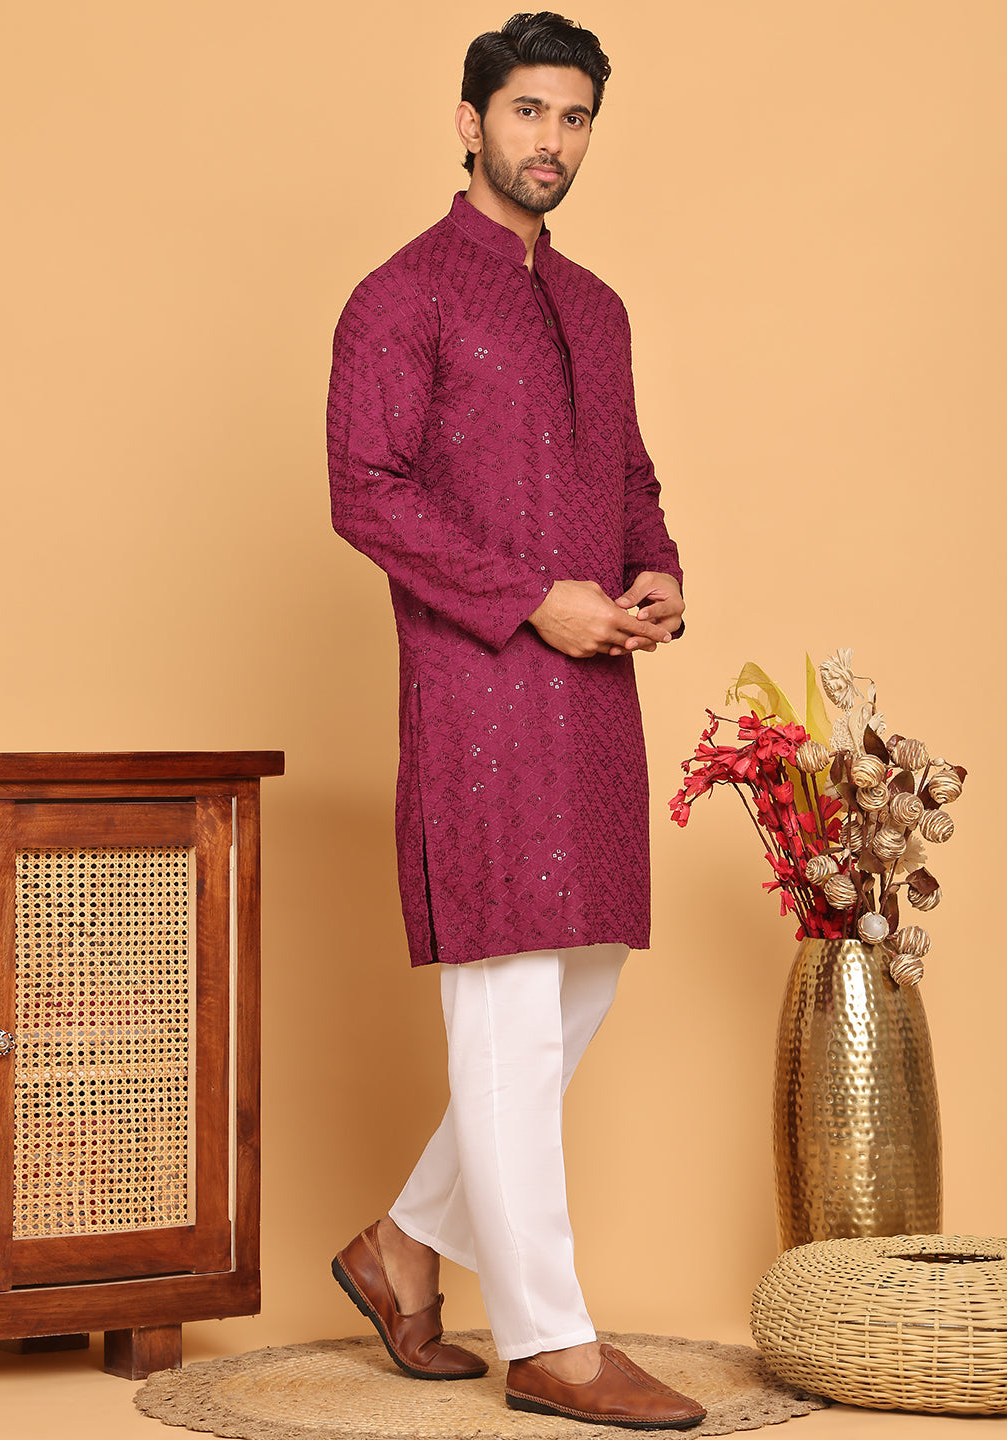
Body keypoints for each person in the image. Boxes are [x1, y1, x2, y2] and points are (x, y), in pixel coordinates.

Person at [326, 11, 704, 1430]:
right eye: (528, 111)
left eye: (575, 116)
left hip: (594, 686)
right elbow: (366, 487)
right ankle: (550, 1340)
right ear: (472, 121)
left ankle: (402, 1246)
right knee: (503, 1003)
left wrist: (657, 570)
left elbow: (629, 471)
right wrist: (530, 600)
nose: (552, 140)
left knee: (581, 975)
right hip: (480, 687)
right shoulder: (401, 296)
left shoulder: (595, 307)